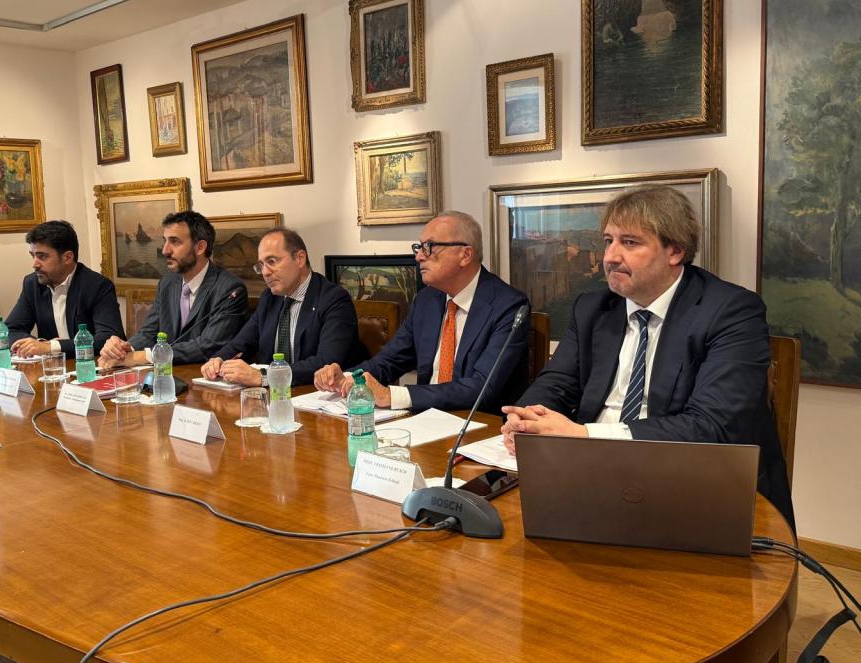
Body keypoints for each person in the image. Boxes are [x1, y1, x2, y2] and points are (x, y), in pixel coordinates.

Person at [499, 186, 794, 526]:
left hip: (692, 485)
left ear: (675, 251)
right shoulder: (593, 308)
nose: (610, 256)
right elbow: (556, 382)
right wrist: (527, 419)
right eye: (608, 240)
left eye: (630, 242)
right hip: (588, 478)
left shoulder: (730, 311)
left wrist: (583, 436)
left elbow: (712, 428)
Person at [314, 211, 530, 413]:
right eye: (418, 247)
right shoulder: (427, 300)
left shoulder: (509, 307)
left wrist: (392, 396)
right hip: (424, 421)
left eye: (429, 247)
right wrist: (349, 377)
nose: (418, 257)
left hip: (478, 428)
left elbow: (481, 388)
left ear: (465, 255)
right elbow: (390, 359)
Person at [201, 229, 368, 387]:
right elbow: (241, 343)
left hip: (317, 395)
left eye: (272, 261)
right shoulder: (270, 298)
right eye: (261, 265)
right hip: (275, 398)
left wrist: (265, 377)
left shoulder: (334, 299)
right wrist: (218, 359)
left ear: (300, 258)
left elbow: (326, 362)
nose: (265, 272)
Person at [99, 211, 247, 369]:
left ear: (200, 247)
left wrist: (145, 356)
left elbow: (208, 345)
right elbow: (149, 332)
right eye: (165, 241)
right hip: (165, 378)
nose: (165, 251)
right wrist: (123, 349)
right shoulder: (167, 283)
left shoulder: (230, 289)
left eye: (175, 242)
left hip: (203, 378)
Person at [5, 220, 124, 358]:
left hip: (91, 367)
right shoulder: (32, 284)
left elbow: (108, 338)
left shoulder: (97, 286)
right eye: (33, 255)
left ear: (67, 257)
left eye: (42, 256)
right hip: (52, 369)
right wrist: (38, 345)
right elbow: (10, 330)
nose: (35, 264)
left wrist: (51, 347)